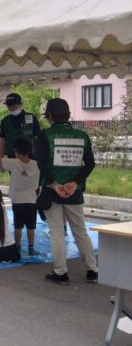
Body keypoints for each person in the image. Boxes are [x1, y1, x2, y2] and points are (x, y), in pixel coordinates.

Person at [34, 98, 98, 285]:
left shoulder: (45, 135)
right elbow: (90, 163)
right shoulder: (82, 136)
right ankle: (92, 270)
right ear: (68, 115)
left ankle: (61, 273)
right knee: (80, 231)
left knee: (56, 232)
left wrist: (54, 184)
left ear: (49, 116)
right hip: (74, 191)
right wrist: (75, 183)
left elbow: (41, 163)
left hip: (51, 190)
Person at [0, 137, 39, 255]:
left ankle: (17, 247)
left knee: (18, 226)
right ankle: (31, 248)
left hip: (17, 200)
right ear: (30, 150)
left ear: (16, 152)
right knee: (31, 226)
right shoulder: (36, 164)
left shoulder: (14, 163)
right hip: (32, 200)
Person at [0, 92, 41, 158]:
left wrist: (38, 156)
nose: (11, 108)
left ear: (21, 104)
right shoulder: (5, 121)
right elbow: (2, 141)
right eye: (9, 106)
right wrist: (1, 159)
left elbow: (38, 138)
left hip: (29, 157)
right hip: (11, 157)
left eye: (13, 105)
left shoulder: (31, 118)